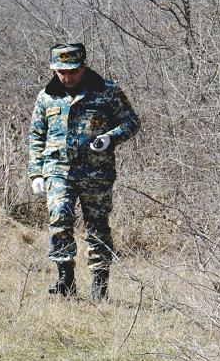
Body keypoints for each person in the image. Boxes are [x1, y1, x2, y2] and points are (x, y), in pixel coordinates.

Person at [28, 43, 140, 300]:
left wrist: (111, 138)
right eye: (61, 72)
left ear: (84, 67)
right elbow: (36, 135)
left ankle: (100, 285)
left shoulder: (107, 91)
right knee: (59, 217)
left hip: (96, 173)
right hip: (58, 170)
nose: (67, 78)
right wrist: (36, 173)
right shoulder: (47, 96)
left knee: (97, 226)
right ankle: (65, 278)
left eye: (73, 72)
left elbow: (132, 121)